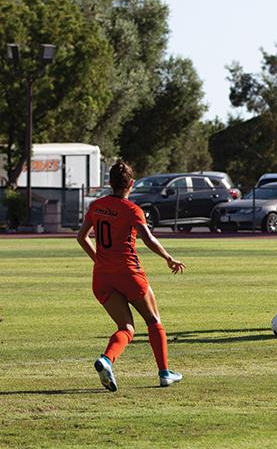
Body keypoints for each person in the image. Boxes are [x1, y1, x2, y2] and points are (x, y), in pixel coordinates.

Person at [77, 161, 186, 392]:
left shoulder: (97, 205)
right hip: (129, 273)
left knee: (126, 327)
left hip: (102, 277)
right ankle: (165, 373)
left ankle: (107, 360)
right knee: (154, 321)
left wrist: (98, 259)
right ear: (132, 184)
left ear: (110, 183)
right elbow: (147, 238)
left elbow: (81, 236)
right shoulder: (132, 210)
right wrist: (168, 257)